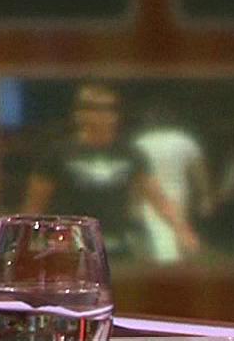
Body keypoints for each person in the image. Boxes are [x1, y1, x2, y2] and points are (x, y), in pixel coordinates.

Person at [21, 83, 201, 262]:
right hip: (70, 250)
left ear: (116, 114)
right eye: (90, 108)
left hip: (117, 246)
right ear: (78, 114)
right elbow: (35, 206)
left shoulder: (130, 154)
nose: (100, 115)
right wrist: (26, 242)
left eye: (107, 109)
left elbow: (159, 200)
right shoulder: (58, 154)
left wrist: (183, 231)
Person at [131, 103, 214, 263]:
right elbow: (199, 170)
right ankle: (173, 267)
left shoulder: (140, 143)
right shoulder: (185, 141)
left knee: (161, 235)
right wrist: (205, 196)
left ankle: (170, 268)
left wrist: (133, 203)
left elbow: (135, 179)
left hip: (148, 196)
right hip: (179, 192)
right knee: (176, 233)